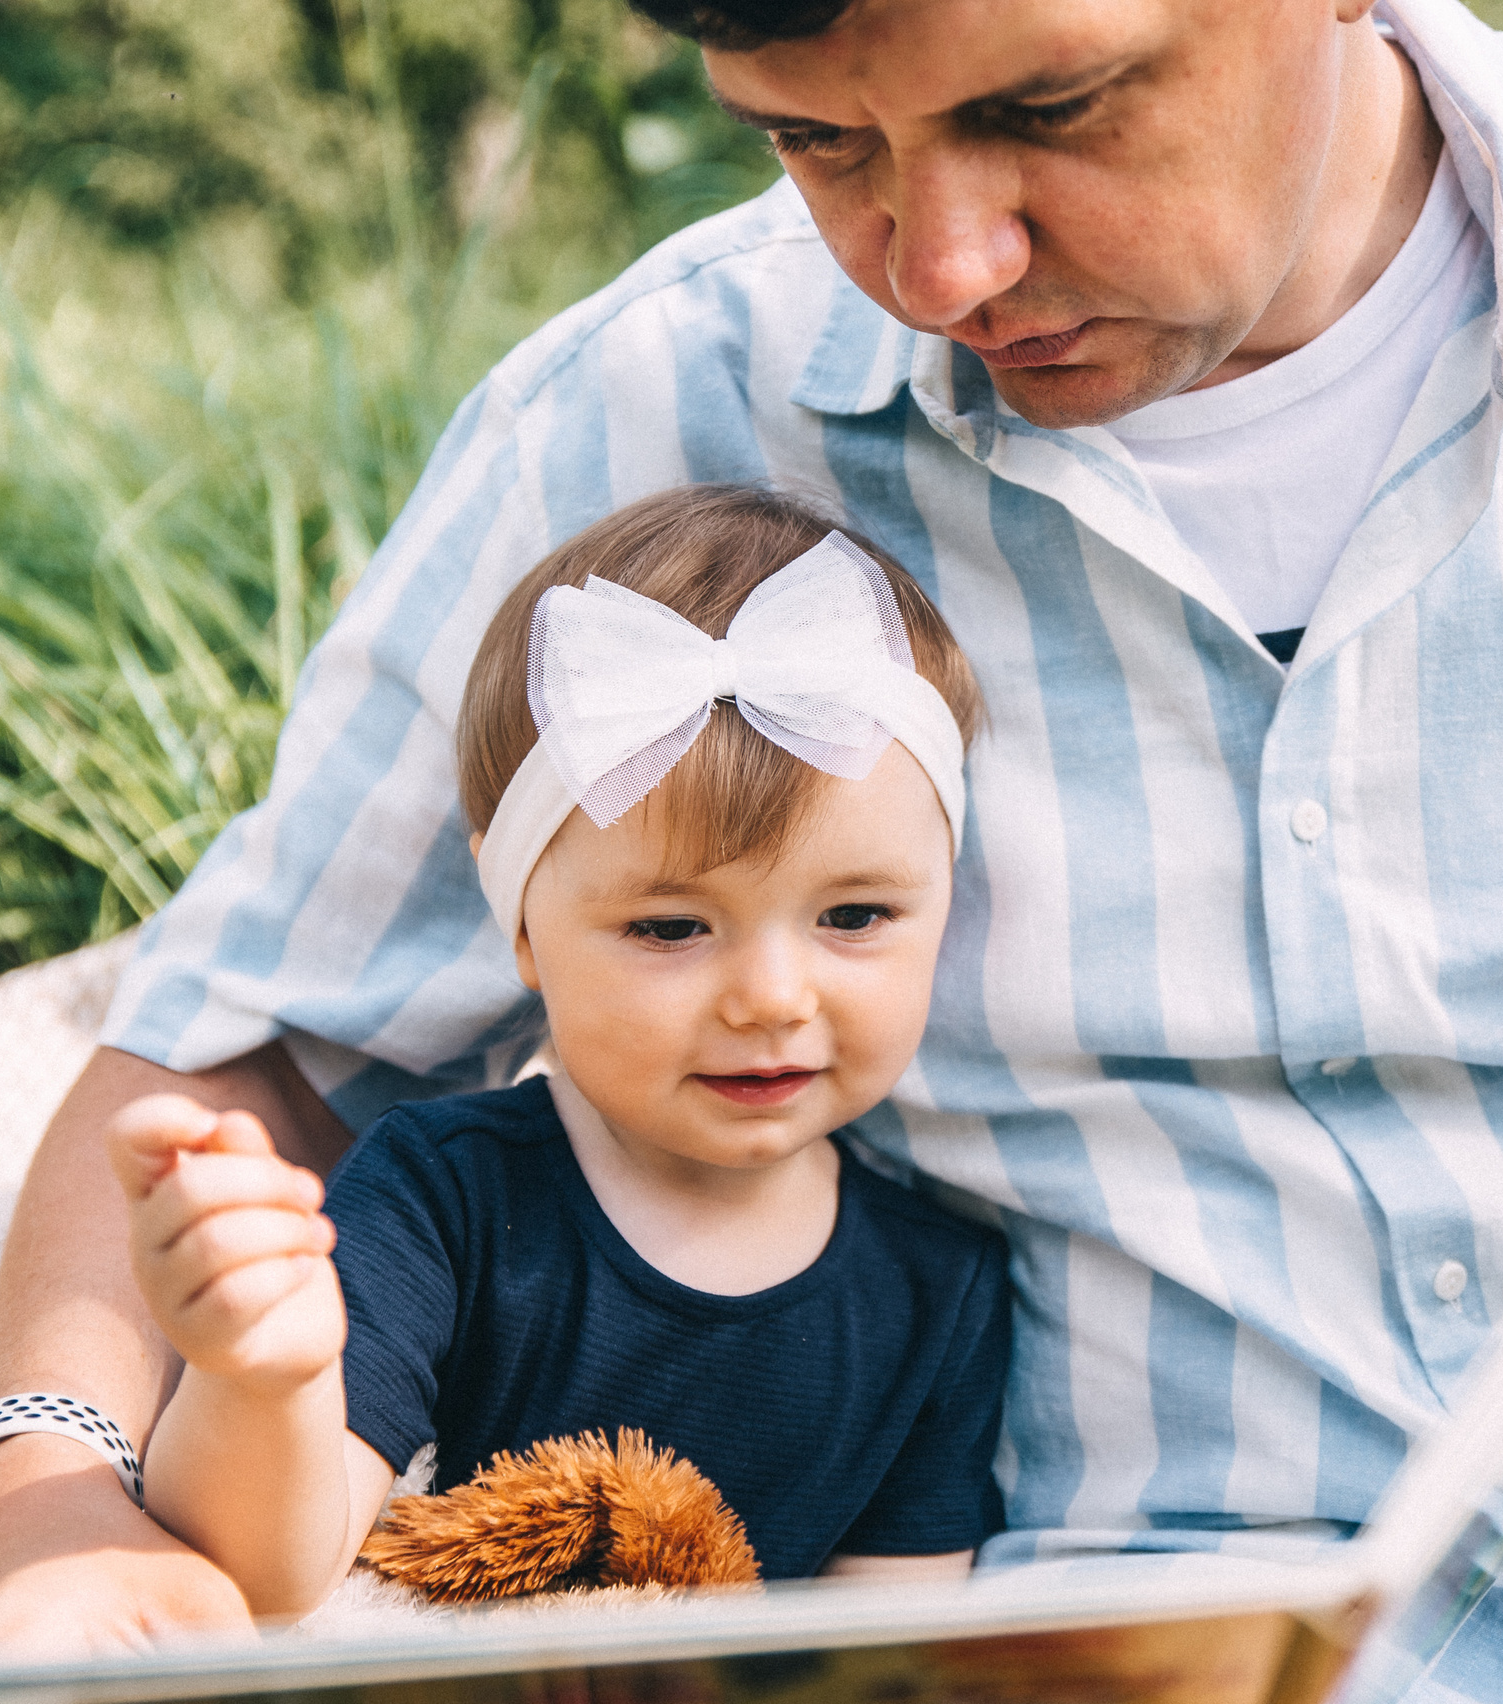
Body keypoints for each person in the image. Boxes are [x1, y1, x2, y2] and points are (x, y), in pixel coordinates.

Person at [0, 0, 1503, 1695]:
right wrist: (36, 1486)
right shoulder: (644, 414)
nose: (936, 258)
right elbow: (241, 1058)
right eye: (818, 142)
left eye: (1047, 109)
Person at [101, 487, 1007, 1614]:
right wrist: (257, 1377)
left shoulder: (939, 1289)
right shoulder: (444, 1197)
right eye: (671, 927)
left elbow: (898, 1651)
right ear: (523, 927)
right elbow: (268, 1577)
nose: (773, 998)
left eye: (856, 916)